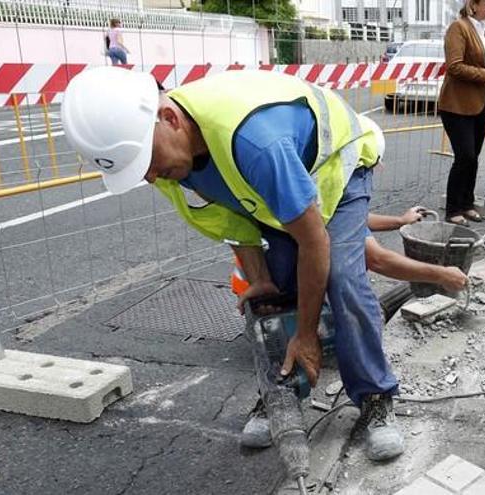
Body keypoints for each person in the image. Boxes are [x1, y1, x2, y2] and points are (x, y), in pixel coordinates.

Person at [61, 67, 405, 461]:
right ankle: (282, 394)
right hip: (281, 181)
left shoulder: (255, 143)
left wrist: (306, 333)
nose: (153, 177)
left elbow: (313, 241)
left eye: (150, 161)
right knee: (275, 290)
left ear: (169, 118)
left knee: (343, 277)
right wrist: (259, 276)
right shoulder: (175, 155)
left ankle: (375, 396)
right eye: (142, 171)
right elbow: (233, 215)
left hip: (336, 167)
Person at [231, 207, 469, 298]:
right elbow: (378, 260)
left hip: (253, 280)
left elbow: (355, 217)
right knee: (364, 307)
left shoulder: (312, 182)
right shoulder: (323, 199)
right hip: (269, 290)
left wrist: (399, 220)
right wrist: (442, 275)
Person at [438, 0, 485, 225]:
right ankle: (453, 208)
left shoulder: (482, 31)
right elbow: (454, 66)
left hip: (482, 102)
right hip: (457, 104)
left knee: (473, 158)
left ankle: (466, 203)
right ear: (473, 5)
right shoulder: (458, 27)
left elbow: (484, 66)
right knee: (465, 156)